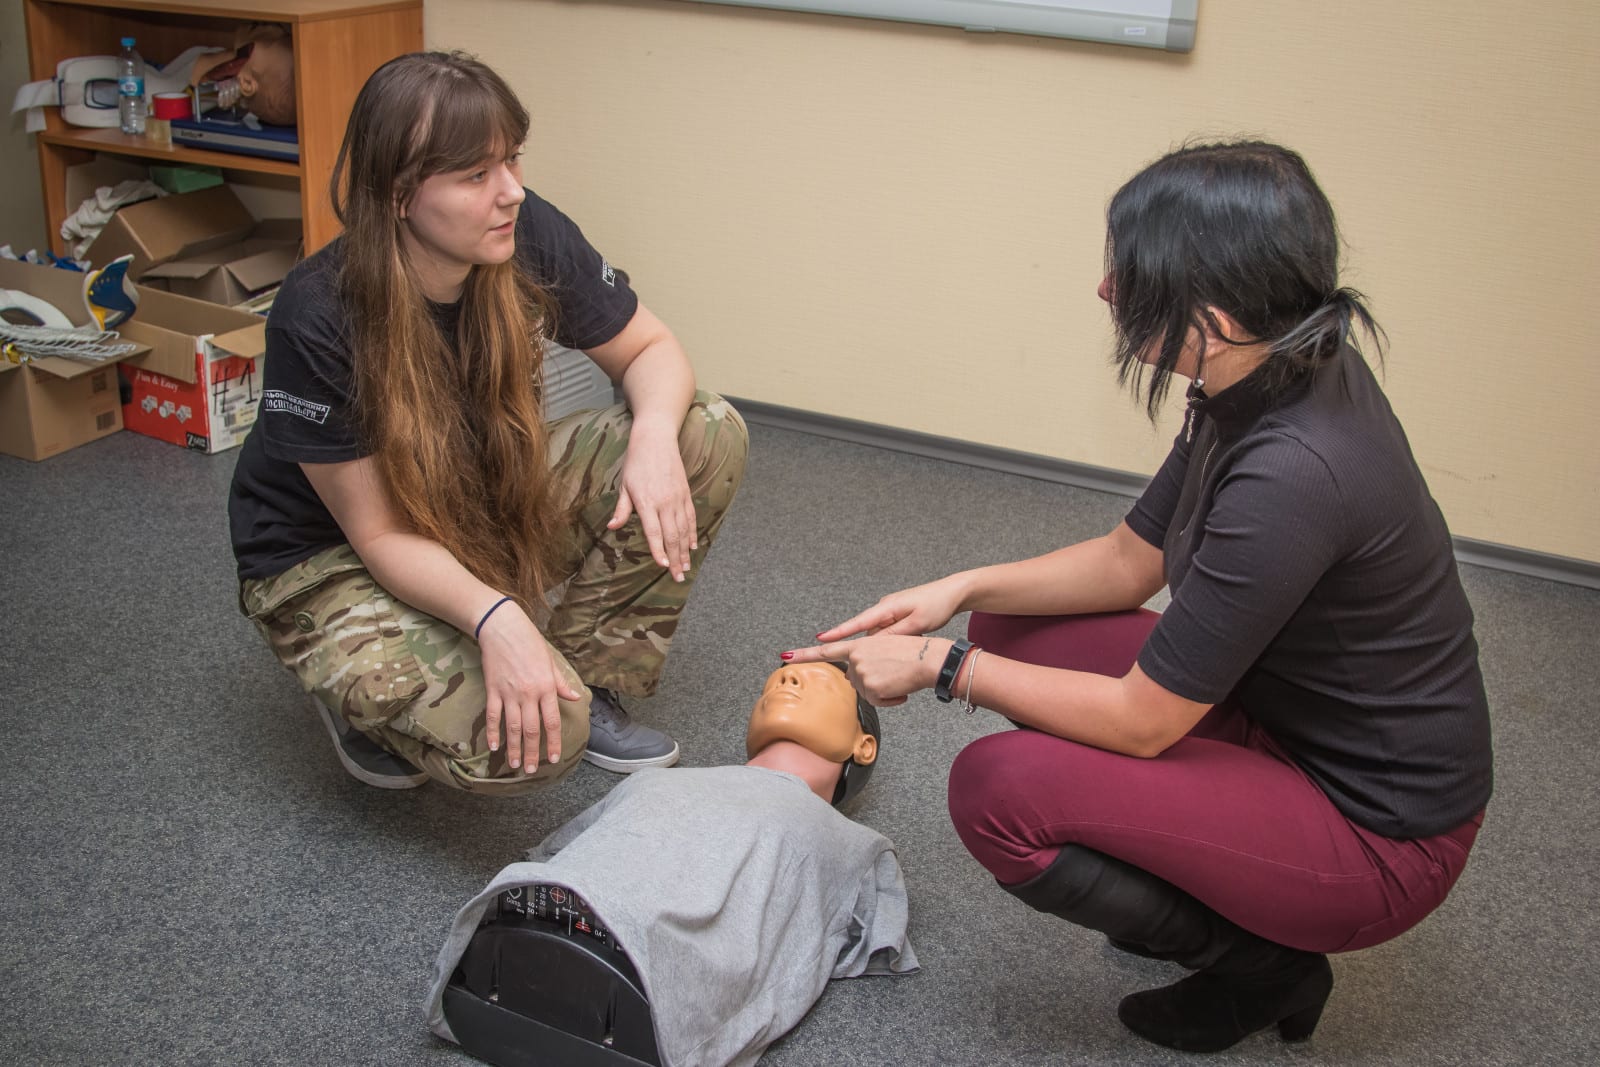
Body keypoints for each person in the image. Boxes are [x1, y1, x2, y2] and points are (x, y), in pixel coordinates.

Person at [784, 141, 1492, 1053]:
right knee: (1011, 623)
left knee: (996, 791)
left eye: (1133, 275)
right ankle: (1199, 873)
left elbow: (1141, 721)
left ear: (1215, 315)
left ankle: (1264, 965)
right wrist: (954, 593)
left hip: (1378, 831)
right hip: (1282, 717)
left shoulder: (1294, 470)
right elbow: (1129, 561)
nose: (1108, 291)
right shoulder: (1260, 371)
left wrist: (940, 664)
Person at [227, 51, 748, 793]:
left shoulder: (521, 229)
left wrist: (655, 438)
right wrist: (502, 620)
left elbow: (652, 350)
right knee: (538, 742)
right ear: (400, 195)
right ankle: (358, 692)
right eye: (476, 176)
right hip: (329, 557)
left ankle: (587, 675)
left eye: (511, 161)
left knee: (706, 430)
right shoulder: (318, 315)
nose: (511, 192)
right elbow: (378, 534)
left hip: (466, 494)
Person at [426, 662, 916, 1067]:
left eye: (819, 683)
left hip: (653, 991)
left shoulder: (853, 844)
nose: (785, 681)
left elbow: (859, 942)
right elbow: (556, 854)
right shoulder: (654, 781)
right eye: (775, 681)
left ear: (863, 745)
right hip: (559, 908)